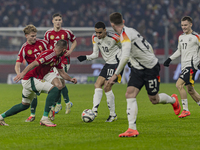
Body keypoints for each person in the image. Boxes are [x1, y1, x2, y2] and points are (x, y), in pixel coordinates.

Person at [107, 12, 180, 137]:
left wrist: (115, 75)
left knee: (154, 99)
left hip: (151, 68)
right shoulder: (131, 30)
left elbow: (124, 57)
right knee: (129, 94)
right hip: (137, 69)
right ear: (123, 21)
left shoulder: (125, 36)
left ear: (112, 24)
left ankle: (173, 100)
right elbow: (148, 46)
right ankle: (132, 128)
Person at [0, 40, 77, 127]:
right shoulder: (49, 54)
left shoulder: (58, 58)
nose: (66, 52)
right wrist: (22, 73)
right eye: (66, 50)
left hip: (31, 80)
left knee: (24, 105)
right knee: (54, 90)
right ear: (64, 50)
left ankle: (0, 117)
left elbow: (61, 72)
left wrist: (70, 79)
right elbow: (34, 63)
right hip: (30, 79)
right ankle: (44, 118)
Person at [15, 24, 64, 122]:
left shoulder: (43, 43)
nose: (34, 38)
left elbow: (52, 52)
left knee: (59, 85)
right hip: (33, 73)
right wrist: (19, 74)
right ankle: (33, 115)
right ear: (26, 36)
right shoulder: (24, 48)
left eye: (35, 35)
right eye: (32, 36)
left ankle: (52, 108)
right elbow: (17, 64)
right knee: (33, 94)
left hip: (46, 70)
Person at [77, 21, 122, 122]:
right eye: (96, 32)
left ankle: (112, 114)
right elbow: (95, 54)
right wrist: (85, 57)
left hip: (116, 64)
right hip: (107, 64)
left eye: (100, 33)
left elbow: (124, 49)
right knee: (97, 85)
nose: (98, 35)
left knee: (107, 87)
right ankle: (94, 110)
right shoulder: (95, 38)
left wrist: (124, 62)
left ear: (105, 30)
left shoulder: (115, 37)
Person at [164, 16, 200, 118]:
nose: (184, 27)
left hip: (191, 66)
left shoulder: (196, 37)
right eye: (182, 25)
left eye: (186, 25)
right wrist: (169, 59)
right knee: (190, 90)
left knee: (179, 85)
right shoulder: (181, 37)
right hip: (184, 66)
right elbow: (179, 51)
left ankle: (185, 110)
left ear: (191, 24)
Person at [44, 13, 77, 114]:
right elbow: (45, 46)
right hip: (53, 61)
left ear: (61, 21)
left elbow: (74, 41)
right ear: (52, 21)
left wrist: (70, 50)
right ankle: (65, 102)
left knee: (60, 79)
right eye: (56, 20)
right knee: (58, 82)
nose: (58, 22)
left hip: (64, 60)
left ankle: (60, 104)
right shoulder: (48, 33)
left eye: (59, 20)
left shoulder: (67, 32)